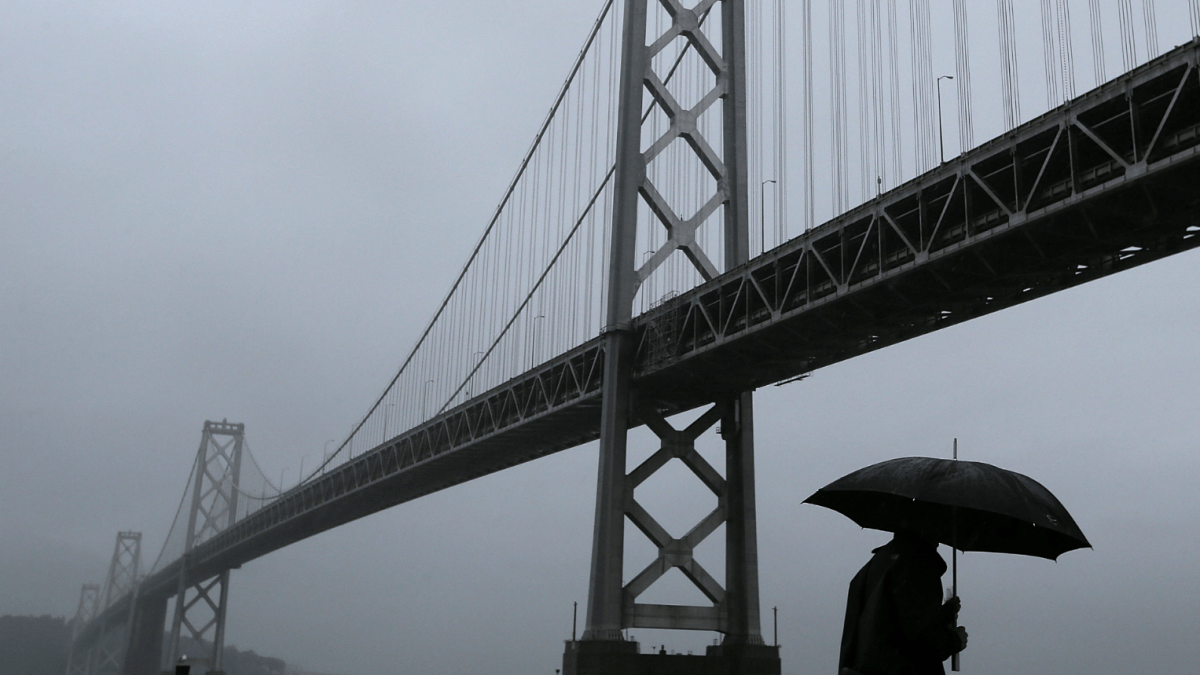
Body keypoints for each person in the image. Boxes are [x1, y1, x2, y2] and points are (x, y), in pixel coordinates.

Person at [839, 528, 968, 675]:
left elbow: (893, 621)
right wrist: (954, 640)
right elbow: (921, 641)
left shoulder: (875, 565)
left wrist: (945, 614)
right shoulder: (918, 564)